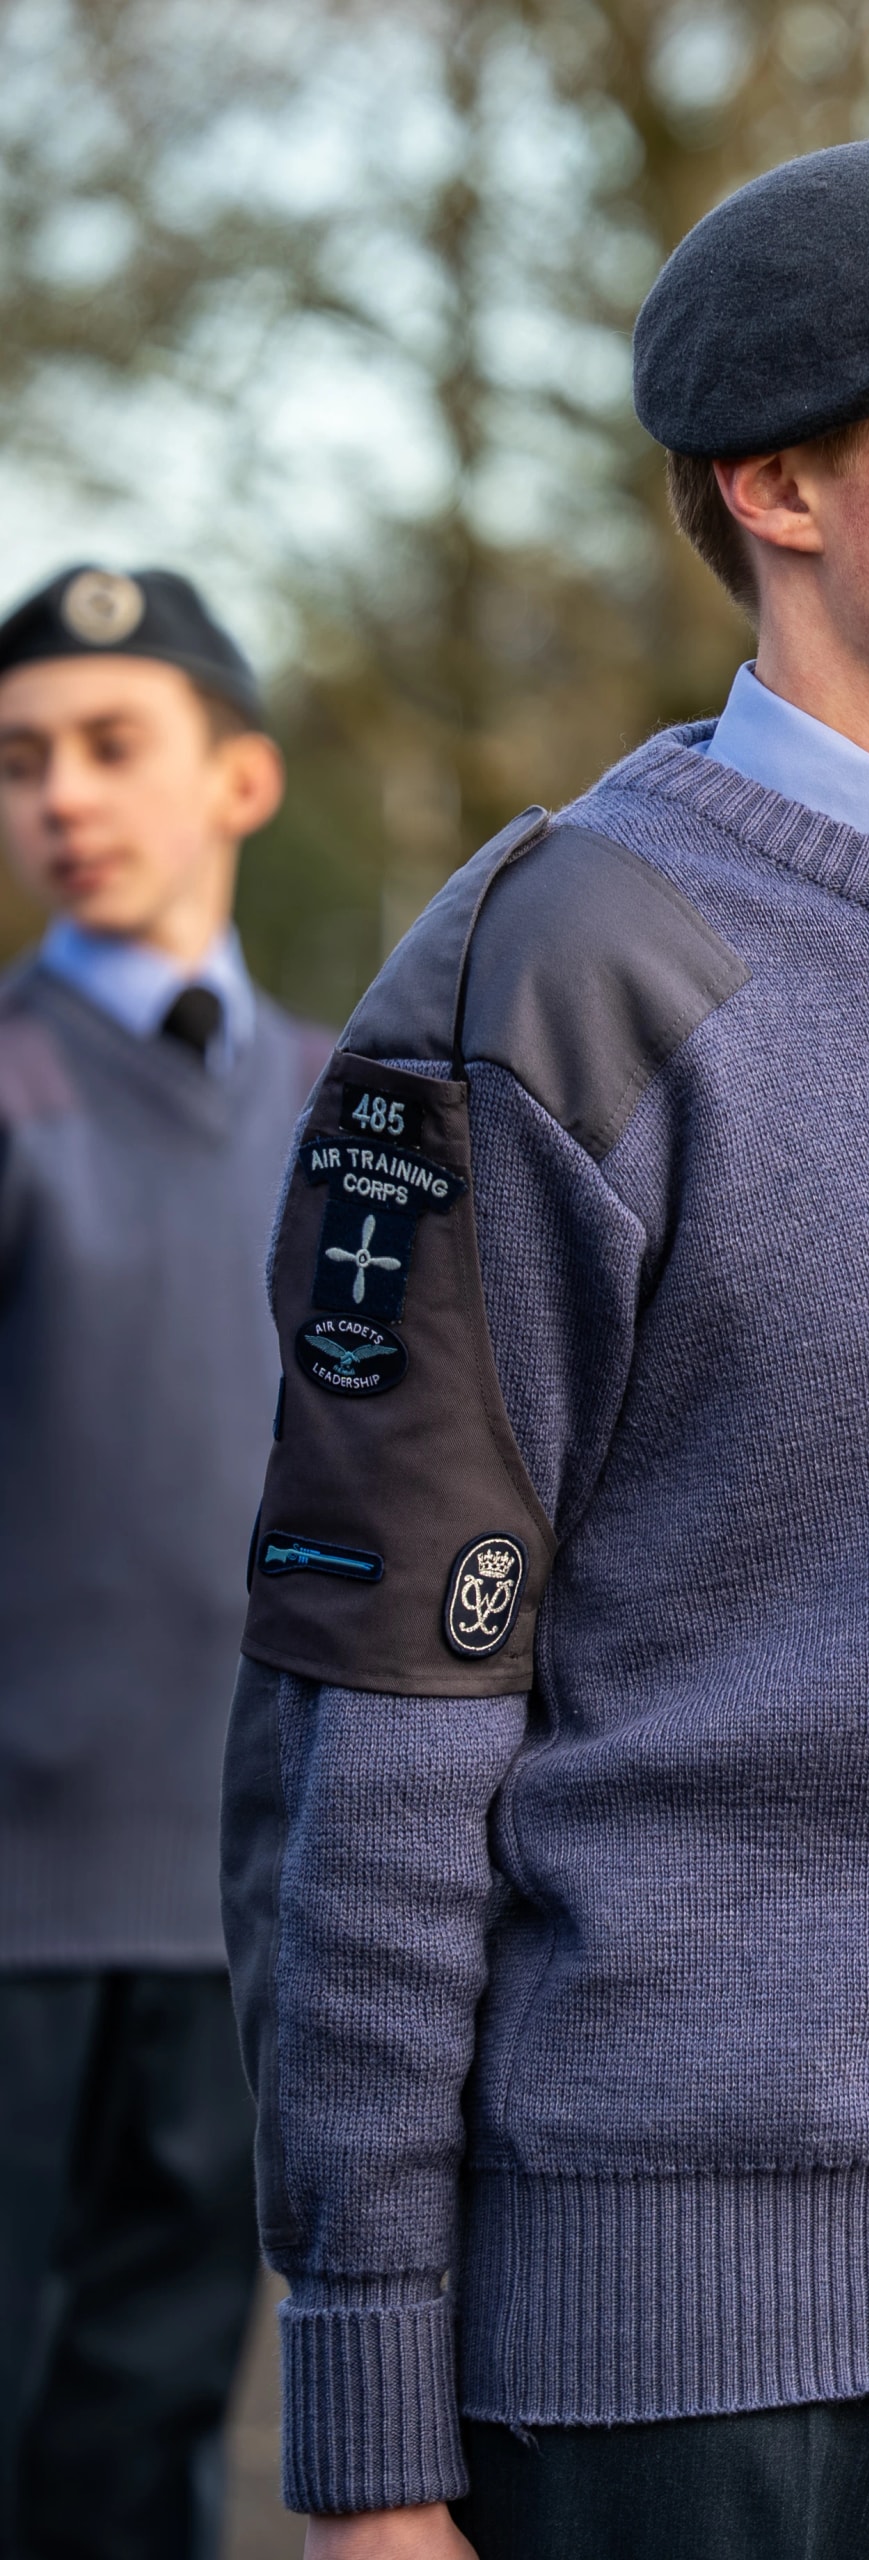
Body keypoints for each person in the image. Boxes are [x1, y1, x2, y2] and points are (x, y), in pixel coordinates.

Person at [220, 134, 869, 2558]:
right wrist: (374, 2421)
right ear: (776, 480)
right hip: (660, 2354)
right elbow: (370, 1718)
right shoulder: (558, 968)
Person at [0, 564, 323, 2557]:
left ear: (246, 780)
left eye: (116, 746)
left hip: (240, 1904)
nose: (64, 796)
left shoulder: (348, 1102)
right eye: (25, 759)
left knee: (155, 2431)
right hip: (14, 1918)